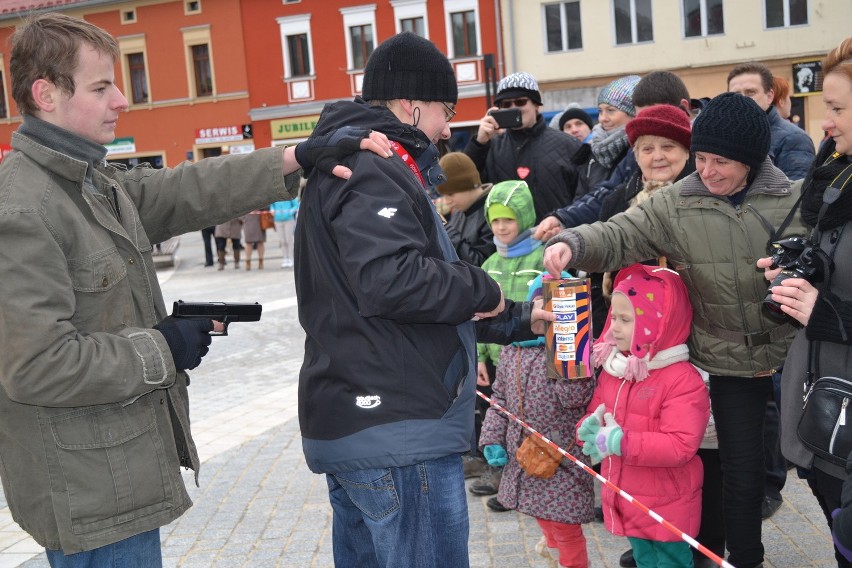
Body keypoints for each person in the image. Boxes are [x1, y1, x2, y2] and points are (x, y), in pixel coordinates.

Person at [0, 11, 393, 567]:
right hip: (88, 495)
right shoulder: (24, 207)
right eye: (101, 86)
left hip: (110, 482)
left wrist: (295, 157)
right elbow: (36, 365)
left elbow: (181, 190)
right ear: (45, 94)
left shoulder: (89, 182)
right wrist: (165, 346)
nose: (121, 100)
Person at [293, 32, 553, 568]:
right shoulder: (373, 166)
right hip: (398, 428)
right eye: (444, 111)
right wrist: (483, 286)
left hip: (375, 421)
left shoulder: (359, 159)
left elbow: (410, 303)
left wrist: (520, 317)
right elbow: (393, 282)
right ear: (413, 107)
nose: (445, 129)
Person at [544, 92, 805, 568]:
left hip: (795, 355)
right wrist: (574, 243)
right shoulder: (676, 202)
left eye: (720, 161)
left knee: (817, 464)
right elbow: (621, 232)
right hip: (727, 362)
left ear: (750, 159)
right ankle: (744, 560)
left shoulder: (795, 198)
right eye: (701, 158)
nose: (706, 171)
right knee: (741, 474)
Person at [759, 36, 852, 568]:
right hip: (825, 411)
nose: (826, 123)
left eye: (837, 108)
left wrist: (827, 311)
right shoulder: (836, 176)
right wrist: (803, 265)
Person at [577, 264, 709, 568]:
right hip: (627, 493)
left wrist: (620, 442)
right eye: (613, 318)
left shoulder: (681, 379)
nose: (613, 329)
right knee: (643, 559)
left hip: (668, 501)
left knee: (672, 562)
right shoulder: (615, 370)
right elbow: (594, 413)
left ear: (656, 325)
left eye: (625, 320)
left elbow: (680, 446)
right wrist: (588, 429)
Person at [480, 273, 596, 568]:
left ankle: (571, 561)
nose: (552, 314)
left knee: (566, 524)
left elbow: (575, 400)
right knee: (540, 511)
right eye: (545, 305)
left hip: (562, 454)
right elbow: (500, 399)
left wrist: (568, 354)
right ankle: (552, 548)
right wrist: (492, 437)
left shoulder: (574, 353)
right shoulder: (512, 350)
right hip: (524, 452)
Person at [534, 70, 692, 244]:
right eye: (647, 149)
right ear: (636, 153)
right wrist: (567, 228)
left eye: (668, 146)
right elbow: (611, 236)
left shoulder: (704, 180)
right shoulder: (618, 190)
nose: (657, 156)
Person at [470, 180, 545, 502]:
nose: (501, 227)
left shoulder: (543, 258)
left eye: (509, 219)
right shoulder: (489, 265)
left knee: (535, 420)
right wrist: (480, 357)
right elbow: (477, 314)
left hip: (536, 362)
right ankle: (504, 474)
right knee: (501, 420)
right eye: (495, 220)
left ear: (525, 218)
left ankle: (536, 478)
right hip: (501, 362)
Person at [464, 71, 582, 221]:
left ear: (536, 105)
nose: (514, 108)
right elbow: (466, 184)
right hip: (508, 241)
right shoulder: (490, 147)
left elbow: (583, 195)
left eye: (520, 102)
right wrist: (479, 143)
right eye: (507, 104)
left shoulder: (568, 145)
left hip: (557, 239)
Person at [728, 61, 815, 180]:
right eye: (736, 94)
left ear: (769, 96)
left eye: (751, 92)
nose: (743, 99)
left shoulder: (794, 138)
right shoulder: (725, 136)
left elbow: (797, 193)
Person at [572, 75, 641, 199]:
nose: (602, 118)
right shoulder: (592, 150)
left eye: (610, 110)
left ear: (633, 114)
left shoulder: (642, 149)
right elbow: (581, 198)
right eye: (600, 111)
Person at [436, 151, 495, 267]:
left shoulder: (492, 211)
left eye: (451, 194)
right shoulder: (461, 210)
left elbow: (481, 263)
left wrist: (446, 229)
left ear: (468, 185)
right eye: (444, 195)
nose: (447, 201)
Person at [271, 197, 299, 268]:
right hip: (277, 220)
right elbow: (272, 205)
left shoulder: (290, 196)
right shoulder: (276, 196)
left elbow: (296, 205)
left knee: (289, 240)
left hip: (289, 220)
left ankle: (291, 258)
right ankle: (285, 258)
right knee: (282, 241)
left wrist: (291, 211)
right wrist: (272, 209)